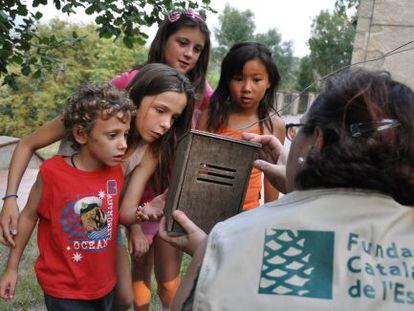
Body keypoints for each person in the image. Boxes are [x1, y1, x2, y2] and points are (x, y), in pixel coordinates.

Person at [0, 8, 210, 310]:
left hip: (103, 214)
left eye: (173, 117)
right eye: (161, 111)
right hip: (66, 207)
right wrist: (9, 199)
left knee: (120, 296)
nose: (166, 124)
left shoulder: (150, 147)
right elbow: (28, 144)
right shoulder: (97, 111)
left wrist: (144, 213)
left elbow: (124, 210)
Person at [160, 69, 414, 310]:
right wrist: (300, 181)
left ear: (318, 140)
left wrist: (208, 253)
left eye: (298, 130)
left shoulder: (227, 240)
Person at [0, 82, 145, 309]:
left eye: (125, 135)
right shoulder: (52, 174)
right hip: (64, 290)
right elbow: (28, 216)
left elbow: (115, 218)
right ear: (80, 134)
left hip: (103, 286)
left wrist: (142, 215)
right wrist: (12, 267)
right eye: (113, 135)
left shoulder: (116, 173)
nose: (123, 144)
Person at [198, 42, 285, 210]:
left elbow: (272, 177)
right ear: (227, 80)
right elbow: (197, 168)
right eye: (238, 79)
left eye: (256, 80)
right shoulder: (211, 117)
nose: (247, 88)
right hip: (208, 211)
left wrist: (270, 216)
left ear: (269, 82)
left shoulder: (274, 125)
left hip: (248, 215)